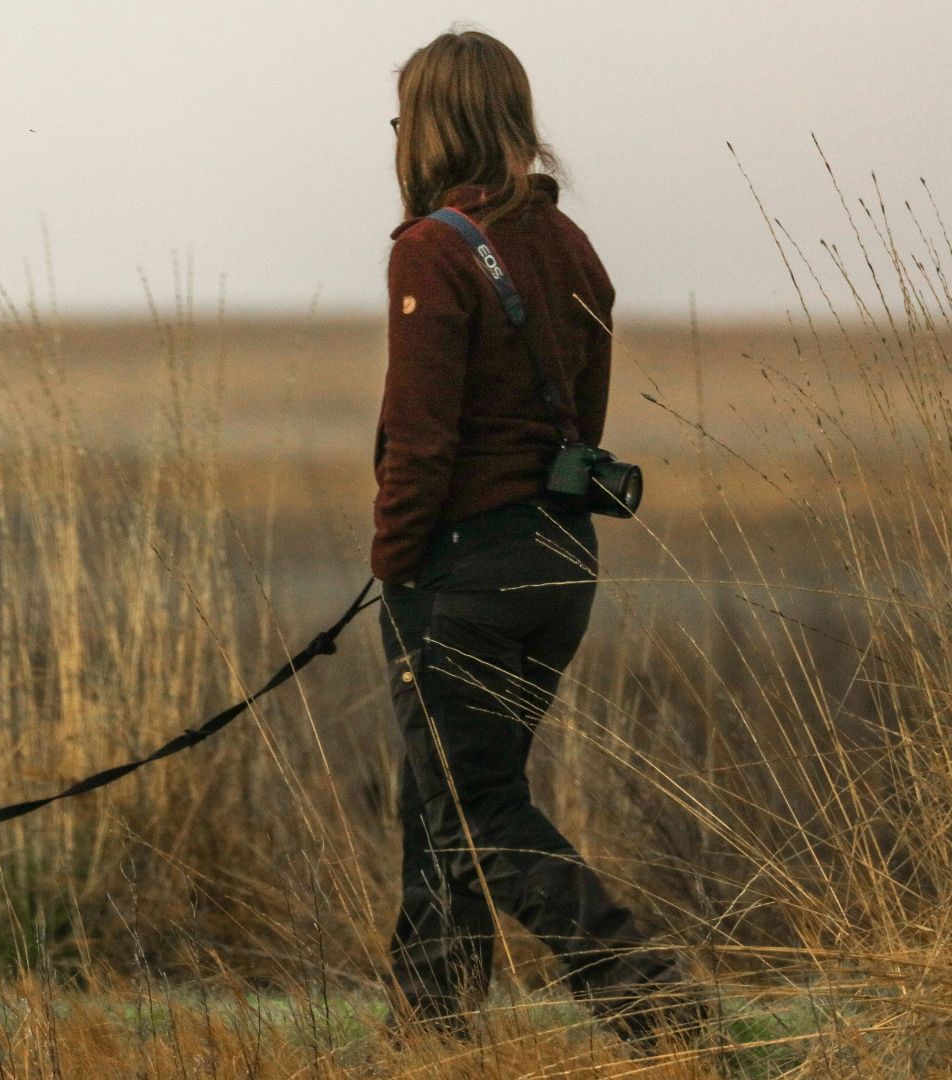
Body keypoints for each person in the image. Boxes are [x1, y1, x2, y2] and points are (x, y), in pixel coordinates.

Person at [372, 29, 702, 1048]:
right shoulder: (570, 245)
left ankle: (655, 1002)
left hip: (464, 572)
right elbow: (584, 419)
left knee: (472, 813)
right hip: (560, 561)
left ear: (433, 127)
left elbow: (420, 444)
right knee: (450, 802)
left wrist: (394, 566)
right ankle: (434, 1038)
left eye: (403, 117)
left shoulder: (431, 248)